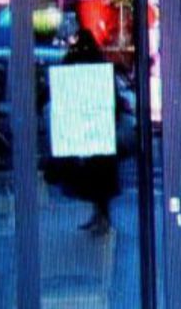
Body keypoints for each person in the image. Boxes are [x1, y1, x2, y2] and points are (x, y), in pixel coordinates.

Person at [44, 28, 120, 235]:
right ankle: (100, 215)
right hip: (97, 129)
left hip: (89, 129)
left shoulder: (75, 61)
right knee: (98, 179)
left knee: (94, 178)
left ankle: (101, 217)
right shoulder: (97, 62)